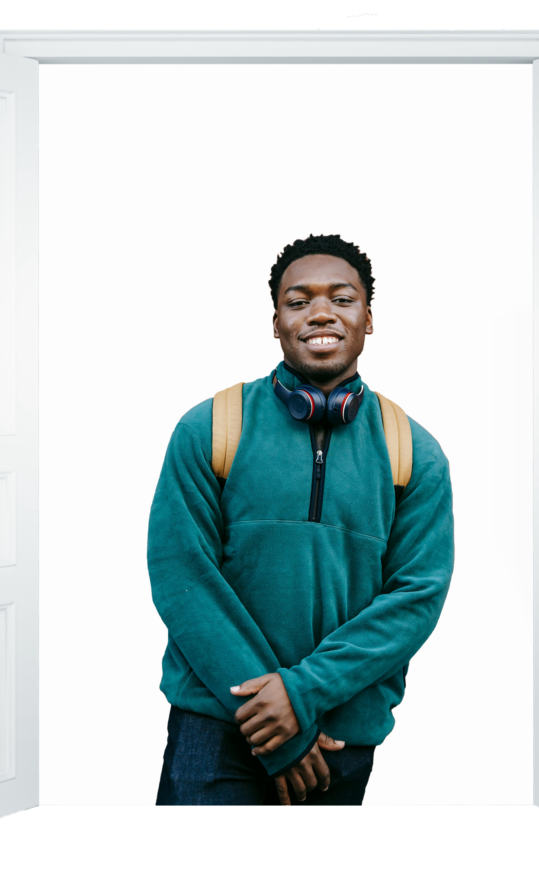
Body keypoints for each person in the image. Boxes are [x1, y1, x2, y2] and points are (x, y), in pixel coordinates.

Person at [148, 234, 454, 806]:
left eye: (342, 298)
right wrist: (274, 725)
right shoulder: (210, 426)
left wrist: (303, 692)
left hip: (338, 740)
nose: (320, 313)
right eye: (298, 300)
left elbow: (416, 598)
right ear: (275, 320)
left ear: (368, 318)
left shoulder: (414, 451)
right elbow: (181, 576)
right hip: (216, 732)